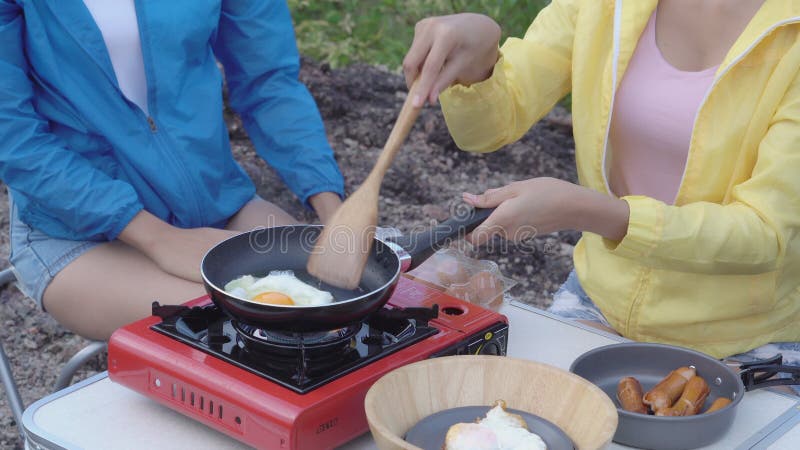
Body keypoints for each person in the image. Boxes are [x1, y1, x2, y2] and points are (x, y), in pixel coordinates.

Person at [402, 0, 800, 364]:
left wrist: (587, 211)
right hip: (600, 299)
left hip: (748, 338)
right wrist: (479, 59)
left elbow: (764, 232)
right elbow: (487, 128)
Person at [0, 1, 344, 340]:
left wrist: (335, 213)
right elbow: (13, 137)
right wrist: (160, 239)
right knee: (259, 333)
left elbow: (268, 83)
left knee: (339, 298)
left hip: (215, 205)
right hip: (74, 233)